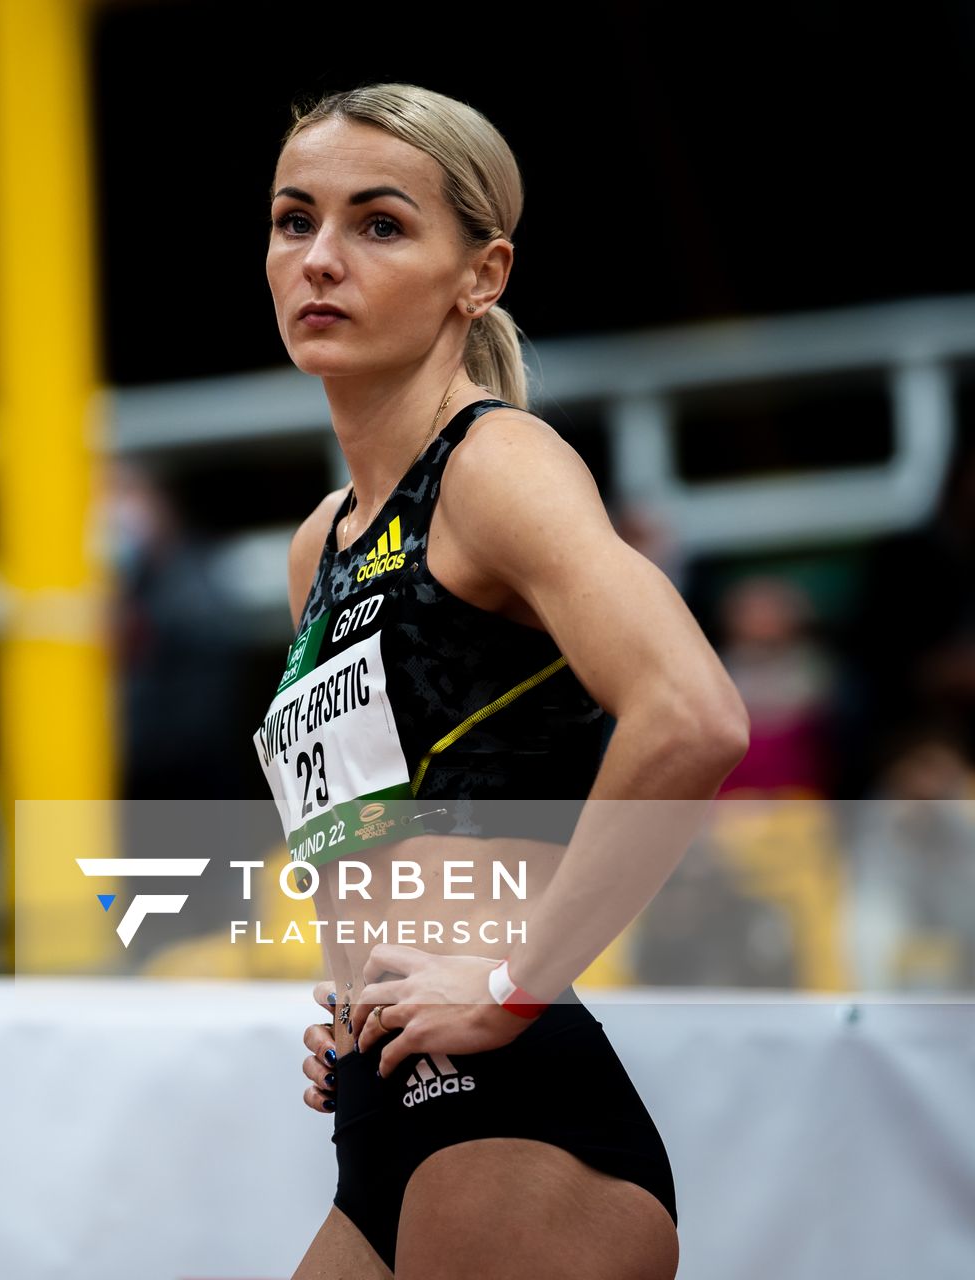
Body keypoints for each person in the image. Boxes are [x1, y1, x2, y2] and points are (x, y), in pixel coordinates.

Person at [252, 84, 750, 1278]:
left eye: (378, 224)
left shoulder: (495, 465)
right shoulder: (318, 543)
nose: (321, 257)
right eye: (292, 219)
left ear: (481, 274)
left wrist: (517, 980)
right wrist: (346, 999)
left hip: (512, 1101)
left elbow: (693, 717)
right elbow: (368, 810)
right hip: (380, 1113)